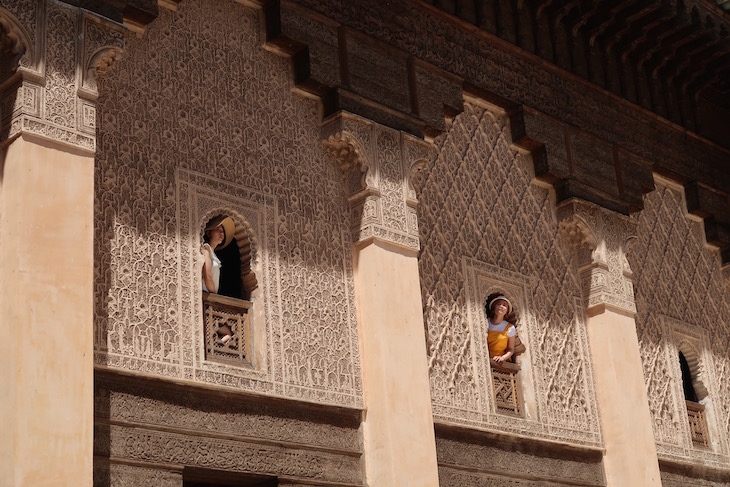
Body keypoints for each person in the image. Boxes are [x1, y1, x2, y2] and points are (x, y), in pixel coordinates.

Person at [202, 214, 236, 344]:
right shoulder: (206, 249)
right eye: (218, 230)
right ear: (209, 232)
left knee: (229, 335)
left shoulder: (213, 253)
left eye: (223, 231)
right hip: (207, 298)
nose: (221, 233)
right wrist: (214, 295)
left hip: (212, 301)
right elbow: (208, 275)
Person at [485, 293, 516, 363]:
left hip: (500, 364)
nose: (501, 306)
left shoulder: (510, 328)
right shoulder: (485, 322)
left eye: (504, 305)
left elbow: (511, 350)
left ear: (507, 311)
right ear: (493, 307)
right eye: (498, 304)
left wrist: (502, 358)